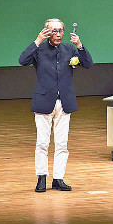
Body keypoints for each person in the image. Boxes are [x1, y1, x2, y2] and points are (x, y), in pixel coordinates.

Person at [19, 18, 93, 192]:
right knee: (42, 143)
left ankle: (58, 178)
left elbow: (88, 64)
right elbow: (23, 60)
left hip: (64, 102)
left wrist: (80, 45)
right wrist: (37, 40)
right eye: (54, 31)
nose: (58, 34)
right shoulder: (39, 49)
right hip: (44, 100)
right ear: (46, 32)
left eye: (60, 31)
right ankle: (41, 178)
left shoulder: (69, 49)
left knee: (62, 144)